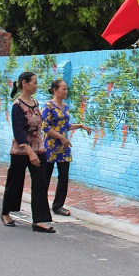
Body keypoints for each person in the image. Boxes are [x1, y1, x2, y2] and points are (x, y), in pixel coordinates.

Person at [0, 72, 55, 233]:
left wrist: (38, 149)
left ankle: (39, 220)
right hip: (21, 151)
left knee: (40, 183)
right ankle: (6, 212)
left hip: (39, 149)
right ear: (24, 83)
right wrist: (29, 151)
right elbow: (18, 131)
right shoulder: (18, 105)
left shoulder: (36, 103)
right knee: (15, 183)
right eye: (34, 82)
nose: (36, 85)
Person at [42, 79, 92, 216]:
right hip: (50, 147)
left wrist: (81, 126)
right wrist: (60, 137)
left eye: (66, 89)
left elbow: (66, 126)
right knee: (45, 177)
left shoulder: (65, 107)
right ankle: (41, 204)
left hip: (63, 148)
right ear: (55, 90)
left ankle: (58, 206)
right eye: (63, 89)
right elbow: (44, 126)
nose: (66, 91)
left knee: (63, 176)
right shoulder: (48, 106)